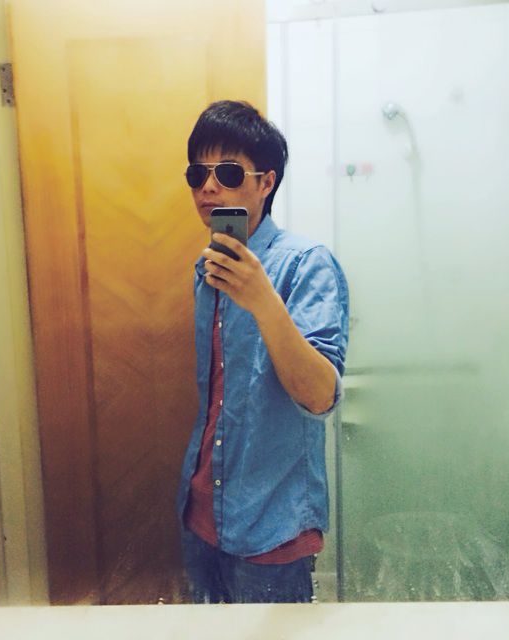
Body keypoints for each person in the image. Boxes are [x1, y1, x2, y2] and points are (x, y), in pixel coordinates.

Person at [177, 100, 349, 604]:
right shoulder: (208, 270)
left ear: (266, 183)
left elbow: (320, 397)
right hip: (200, 515)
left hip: (274, 526)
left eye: (229, 173)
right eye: (197, 174)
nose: (209, 187)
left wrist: (263, 301)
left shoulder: (306, 264)